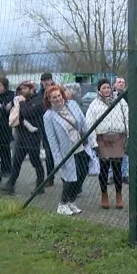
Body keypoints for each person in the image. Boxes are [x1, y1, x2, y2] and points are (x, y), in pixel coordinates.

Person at [43, 85, 92, 216]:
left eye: (59, 95)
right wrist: (58, 159)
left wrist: (90, 142)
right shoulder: (48, 116)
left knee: (82, 173)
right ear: (49, 99)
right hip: (66, 150)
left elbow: (83, 122)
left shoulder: (73, 105)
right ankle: (63, 204)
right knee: (70, 178)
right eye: (54, 97)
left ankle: (72, 201)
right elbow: (52, 140)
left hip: (80, 145)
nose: (58, 99)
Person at [87, 78, 129, 209]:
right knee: (104, 169)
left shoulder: (120, 101)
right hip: (102, 139)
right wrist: (93, 142)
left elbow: (127, 117)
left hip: (118, 138)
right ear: (99, 90)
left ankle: (118, 195)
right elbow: (90, 124)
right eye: (103, 88)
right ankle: (104, 194)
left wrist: (128, 135)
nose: (106, 90)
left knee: (117, 169)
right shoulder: (94, 104)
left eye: (108, 87)